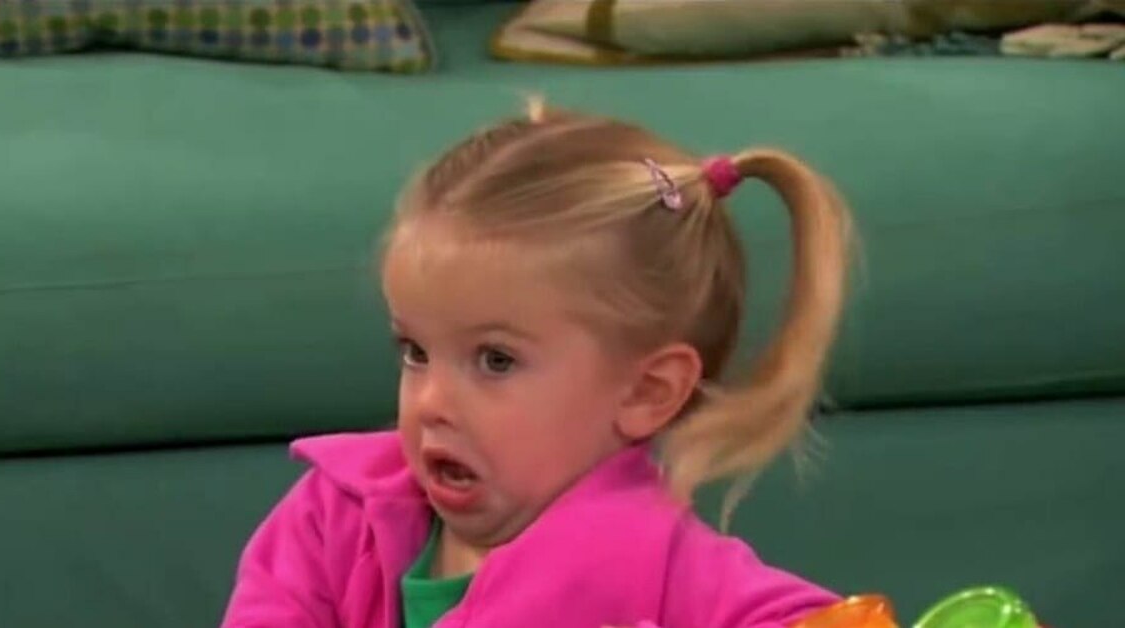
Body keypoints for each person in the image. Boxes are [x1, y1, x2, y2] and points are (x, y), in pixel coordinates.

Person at [221, 99, 854, 628]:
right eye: (415, 353)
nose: (431, 403)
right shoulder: (334, 515)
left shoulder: (670, 568)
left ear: (647, 392)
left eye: (495, 361)